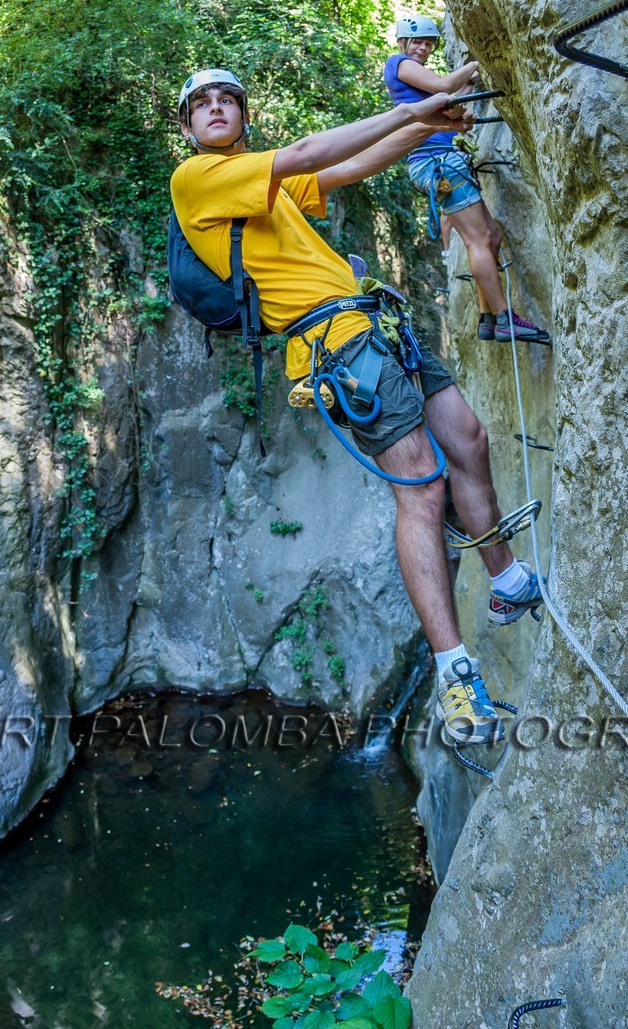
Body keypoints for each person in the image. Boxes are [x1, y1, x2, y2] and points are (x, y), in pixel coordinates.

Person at [169, 68, 546, 744]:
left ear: (245, 118)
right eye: (203, 105)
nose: (216, 108)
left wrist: (425, 126)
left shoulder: (263, 187)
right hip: (336, 347)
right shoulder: (196, 180)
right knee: (422, 494)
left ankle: (508, 578)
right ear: (189, 126)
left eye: (227, 99)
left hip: (375, 325)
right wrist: (419, 108)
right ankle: (456, 681)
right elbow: (313, 149)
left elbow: (348, 167)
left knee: (468, 438)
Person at [384, 15, 549, 346]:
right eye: (418, 41)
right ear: (404, 42)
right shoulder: (398, 63)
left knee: (492, 235)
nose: (424, 48)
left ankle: (488, 319)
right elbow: (445, 86)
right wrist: (476, 61)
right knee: (477, 239)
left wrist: (469, 88)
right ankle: (504, 319)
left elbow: (451, 103)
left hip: (441, 161)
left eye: (429, 43)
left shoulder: (418, 88)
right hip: (436, 162)